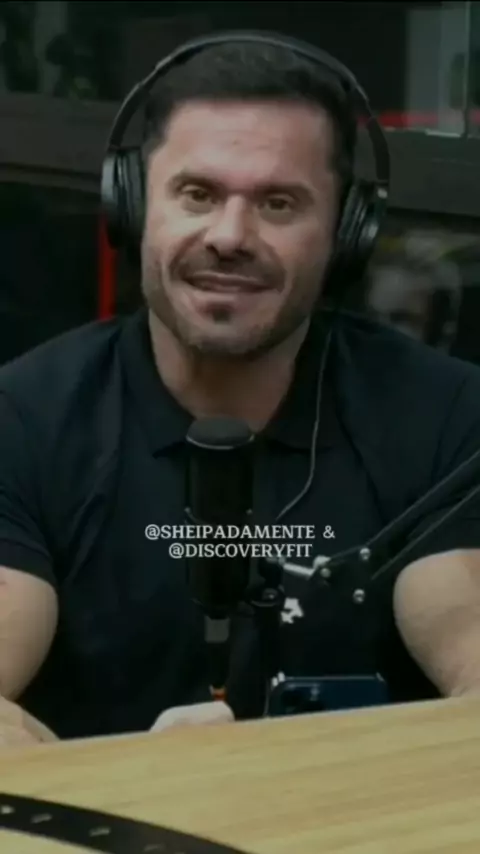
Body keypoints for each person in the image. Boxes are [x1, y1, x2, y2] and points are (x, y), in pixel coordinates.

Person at [1, 35, 480, 746]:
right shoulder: (23, 418)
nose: (229, 236)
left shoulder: (444, 415)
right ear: (132, 205)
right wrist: (130, 784)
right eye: (197, 194)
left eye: (278, 203)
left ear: (345, 232)